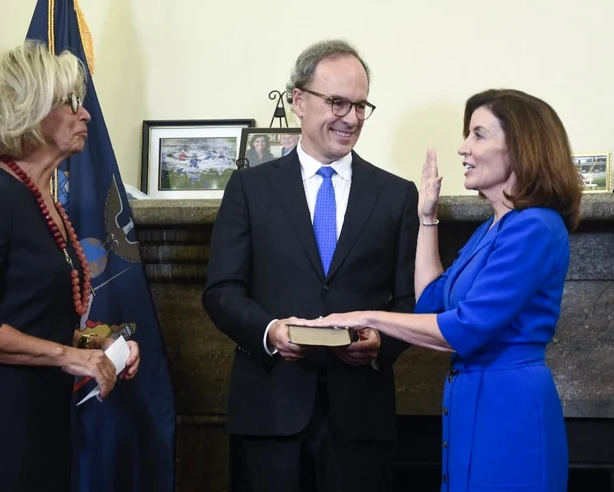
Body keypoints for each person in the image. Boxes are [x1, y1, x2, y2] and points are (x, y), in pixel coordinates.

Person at [300, 89, 582, 491]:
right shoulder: (493, 228)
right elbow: (430, 301)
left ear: (521, 148)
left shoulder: (536, 226)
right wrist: (427, 217)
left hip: (509, 409)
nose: (463, 147)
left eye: (478, 135)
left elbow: (465, 329)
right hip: (470, 401)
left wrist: (363, 315)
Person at [203, 39, 419, 491]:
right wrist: (270, 332)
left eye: (361, 106)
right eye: (338, 102)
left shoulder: (397, 196)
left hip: (360, 417)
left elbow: (408, 300)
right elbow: (222, 290)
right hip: (269, 409)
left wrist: (381, 344)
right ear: (298, 100)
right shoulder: (248, 188)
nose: (351, 117)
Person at [0, 41, 141, 492]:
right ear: (25, 110)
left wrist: (101, 345)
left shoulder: (44, 200)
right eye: (69, 103)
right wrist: (71, 357)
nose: (84, 114)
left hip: (41, 420)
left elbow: (34, 317)